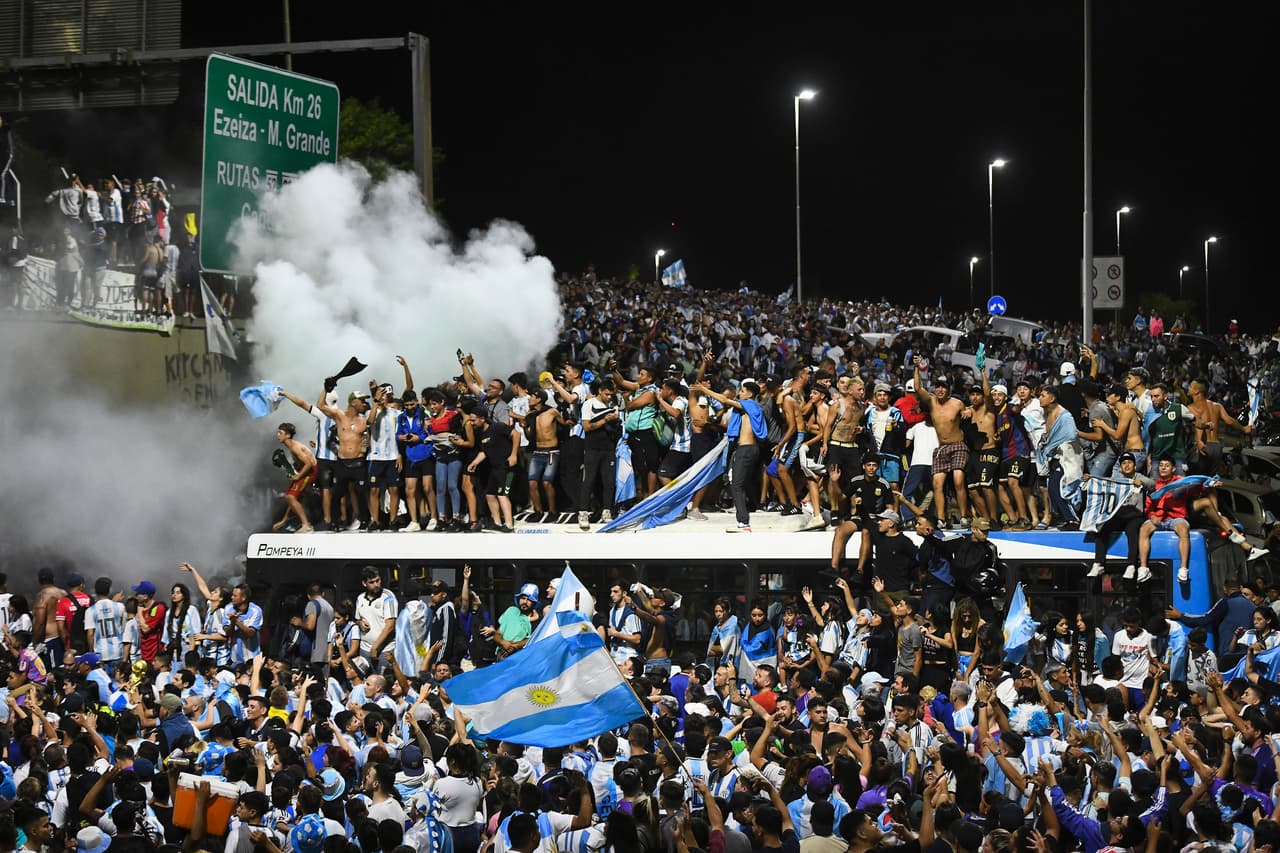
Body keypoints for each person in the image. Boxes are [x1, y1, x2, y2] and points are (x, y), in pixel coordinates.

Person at [695, 379, 769, 532]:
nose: (739, 393)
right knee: (741, 483)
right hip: (746, 449)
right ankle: (747, 515)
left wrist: (704, 389)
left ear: (749, 394)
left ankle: (744, 523)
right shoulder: (748, 408)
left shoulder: (750, 404)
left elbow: (724, 400)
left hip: (746, 449)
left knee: (737, 485)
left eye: (742, 391)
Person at [913, 355, 971, 527]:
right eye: (937, 387)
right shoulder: (931, 402)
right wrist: (917, 367)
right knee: (937, 483)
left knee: (958, 480)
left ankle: (964, 516)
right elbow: (917, 387)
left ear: (948, 389)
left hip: (958, 445)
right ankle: (940, 519)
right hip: (941, 448)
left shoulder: (957, 403)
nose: (940, 390)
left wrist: (969, 411)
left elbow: (970, 410)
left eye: (943, 387)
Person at [271, 422, 316, 533]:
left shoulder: (295, 447)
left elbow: (309, 463)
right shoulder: (291, 446)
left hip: (311, 472)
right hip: (305, 471)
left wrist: (298, 476)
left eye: (280, 433)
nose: (278, 435)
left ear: (288, 435)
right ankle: (287, 521)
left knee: (291, 497)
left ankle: (307, 526)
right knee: (289, 496)